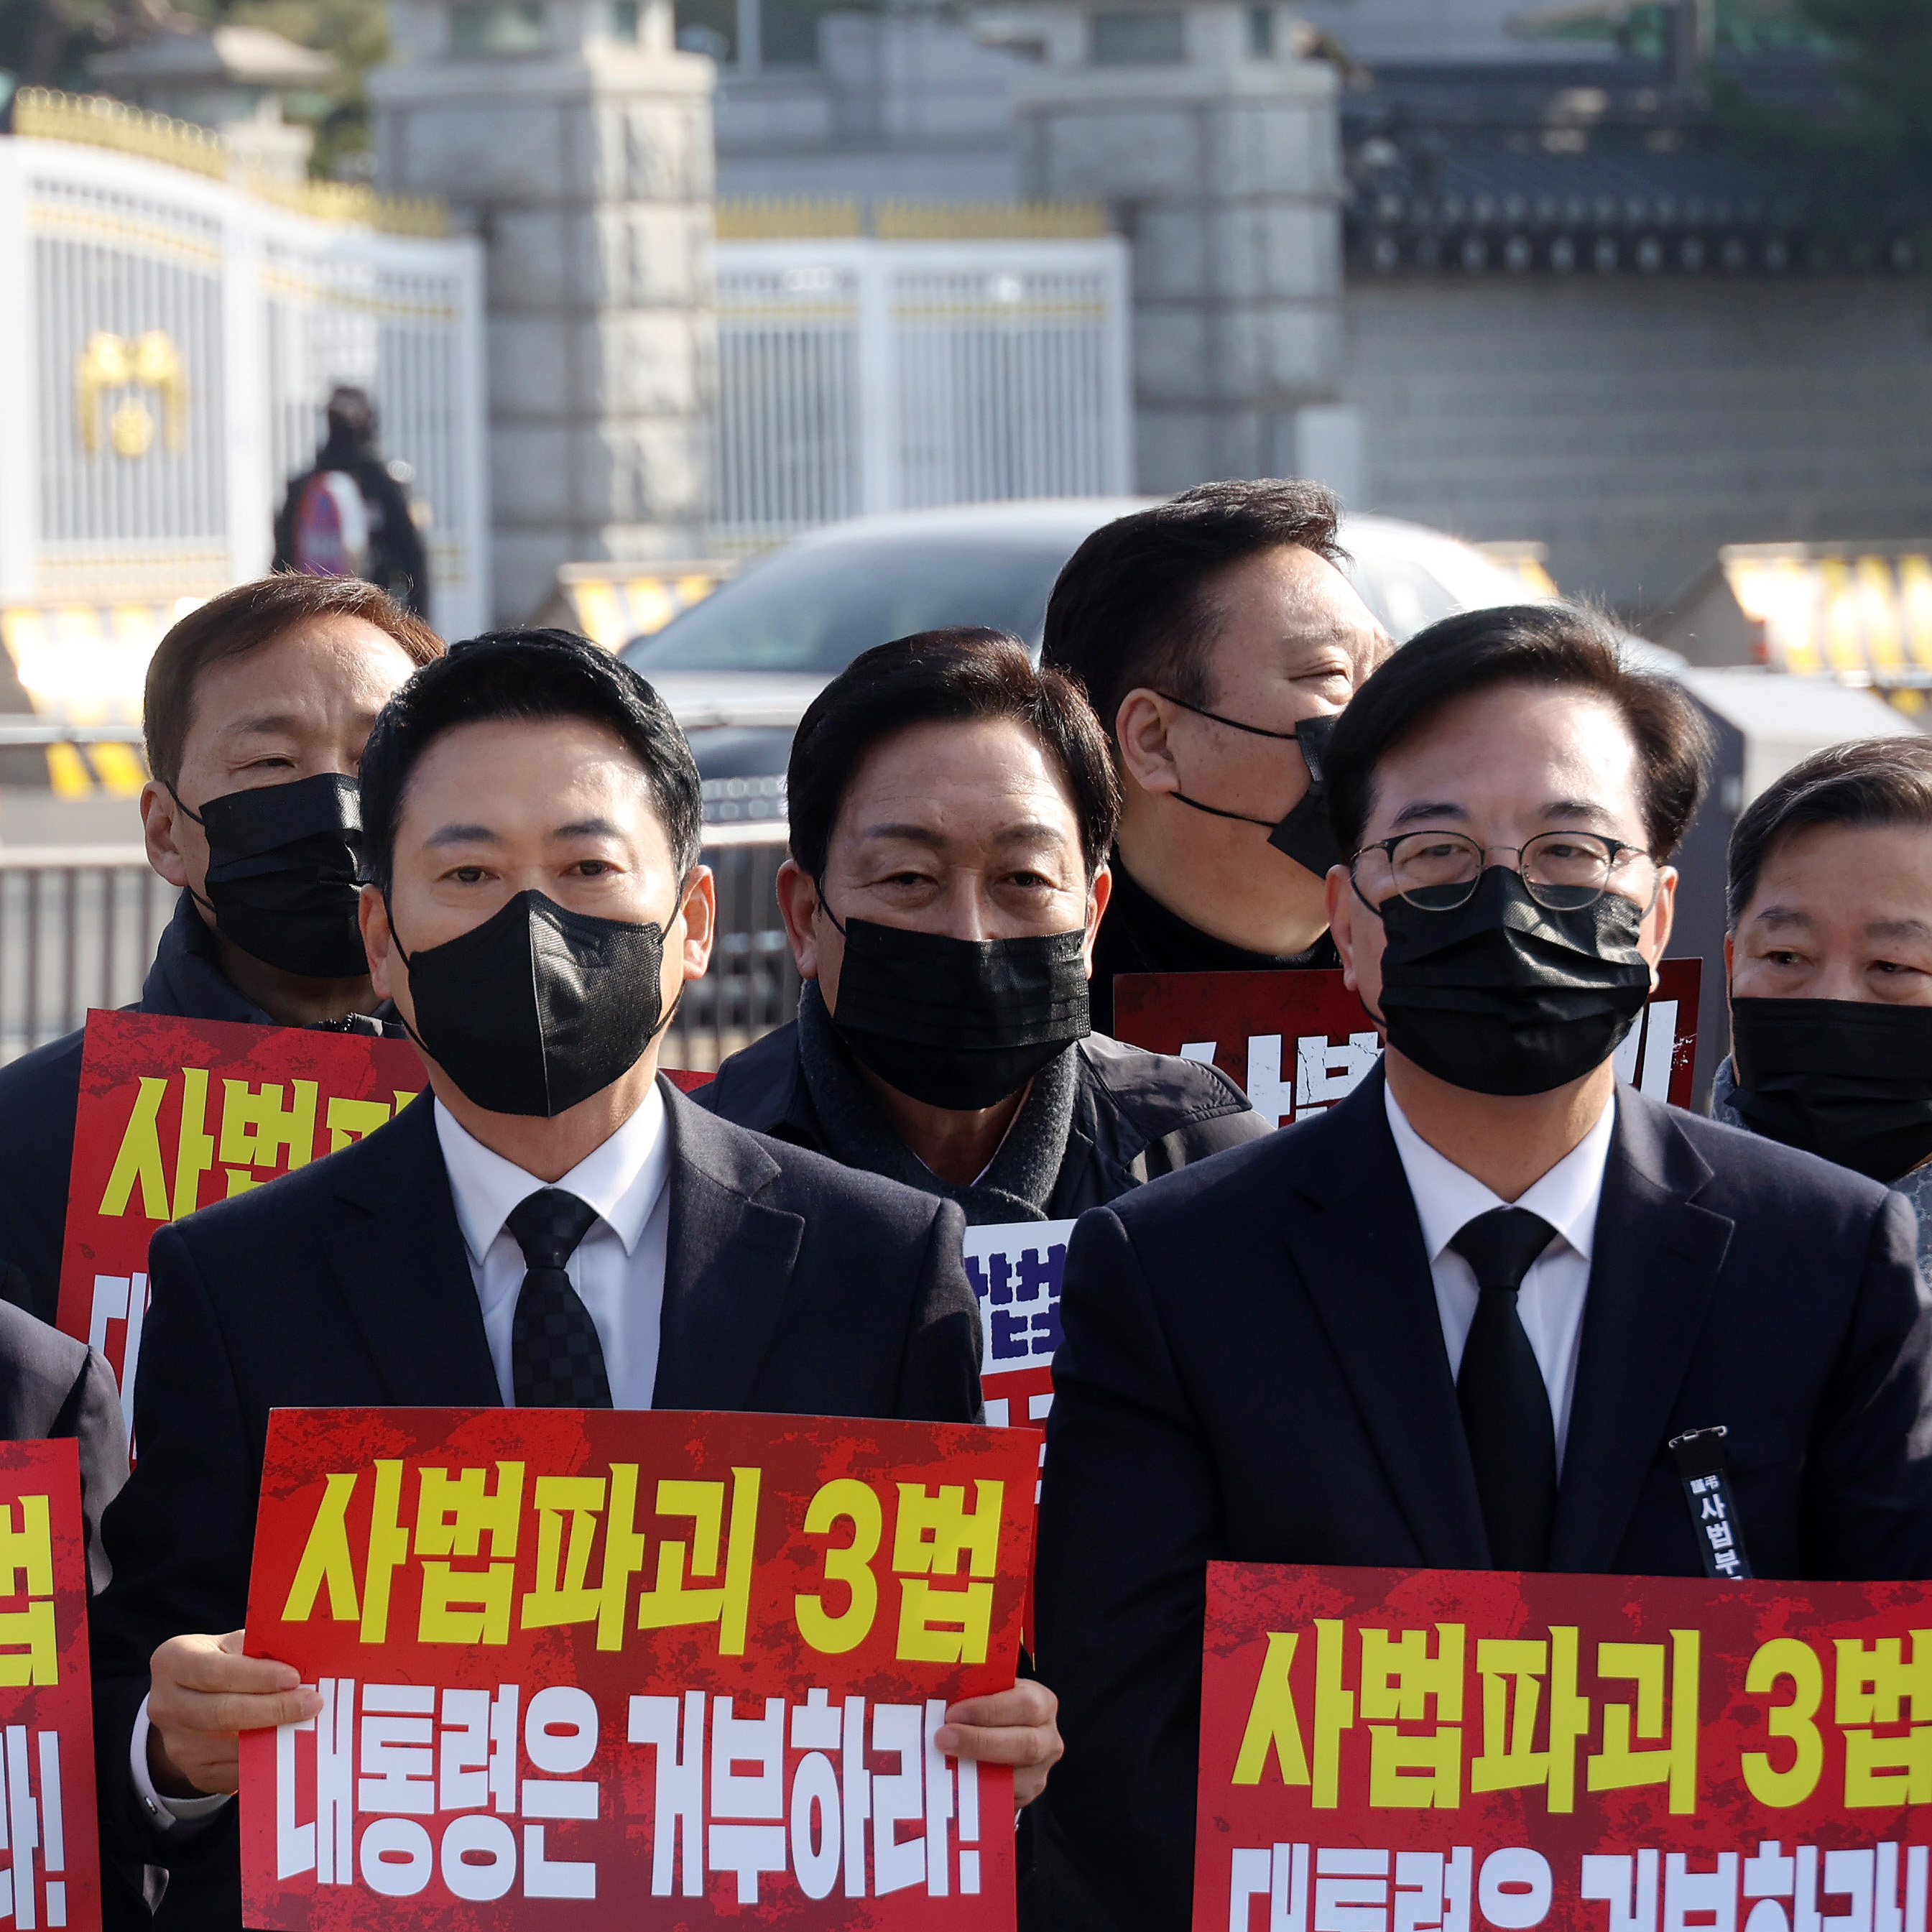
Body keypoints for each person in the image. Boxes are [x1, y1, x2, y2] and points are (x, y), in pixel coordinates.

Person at [88, 630, 1060, 1926]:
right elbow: (132, 1692)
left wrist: (1009, 1742)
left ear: (692, 922)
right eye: (469, 872)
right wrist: (171, 1738)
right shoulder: (237, 1278)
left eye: (588, 866)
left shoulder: (880, 1264)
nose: (530, 922)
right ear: (382, 936)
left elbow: (969, 1683)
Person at [1034, 605, 1932, 1932]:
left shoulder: (1830, 1255)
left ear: (1654, 915)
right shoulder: (1170, 1267)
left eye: (1568, 851)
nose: (1506, 901)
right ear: (1347, 923)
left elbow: (1889, 1699)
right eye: (1434, 853)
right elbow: (1132, 1728)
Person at [699, 629, 1267, 1218]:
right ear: (804, 918)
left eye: (1024, 878)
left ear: (1090, 918)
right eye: (909, 877)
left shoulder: (1208, 1166)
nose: (969, 933)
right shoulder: (694, 1184)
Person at [0, 576, 441, 1323]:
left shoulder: (529, 1119)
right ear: (165, 831)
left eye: (376, 760)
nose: (336, 804)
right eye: (269, 761)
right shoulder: (30, 1139)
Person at [1039, 479, 1390, 1032]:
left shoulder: (1454, 977)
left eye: (1388, 675)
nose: (1387, 714)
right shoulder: (1032, 1012)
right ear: (1155, 740)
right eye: (1331, 674)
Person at [1713, 736, 1932, 1269]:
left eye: (1891, 965)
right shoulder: (1613, 1231)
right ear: (1732, 964)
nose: (1830, 999)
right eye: (1786, 956)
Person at [272, 386, 431, 619]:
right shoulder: (310, 487)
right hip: (353, 615)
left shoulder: (381, 485)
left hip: (337, 615)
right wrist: (417, 623)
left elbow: (412, 559)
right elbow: (414, 559)